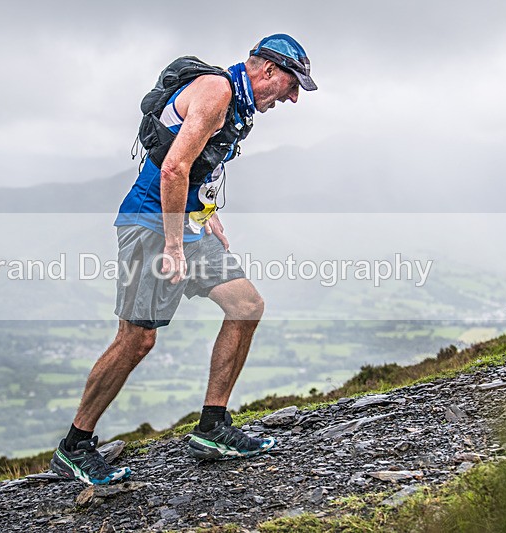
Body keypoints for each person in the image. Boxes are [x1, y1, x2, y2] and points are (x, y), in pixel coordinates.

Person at [50, 34, 317, 485]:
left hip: (185, 225)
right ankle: (74, 447)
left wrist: (207, 215)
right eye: (292, 85)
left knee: (246, 306)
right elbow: (173, 168)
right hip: (151, 226)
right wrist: (174, 246)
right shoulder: (217, 92)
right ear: (269, 70)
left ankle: (213, 428)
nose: (292, 97)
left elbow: (198, 169)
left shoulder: (239, 106)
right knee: (137, 339)